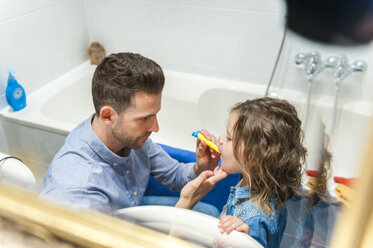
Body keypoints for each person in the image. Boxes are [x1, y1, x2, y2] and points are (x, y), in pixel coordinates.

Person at [40, 52, 219, 213]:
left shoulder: (130, 137)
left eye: (155, 115)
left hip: (126, 211)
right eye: (145, 118)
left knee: (209, 212)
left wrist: (200, 168)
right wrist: (182, 209)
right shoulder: (80, 194)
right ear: (108, 116)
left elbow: (174, 174)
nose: (155, 128)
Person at [176, 97, 307, 248]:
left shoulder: (254, 219)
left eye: (229, 138)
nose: (220, 139)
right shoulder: (257, 178)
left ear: (253, 157)